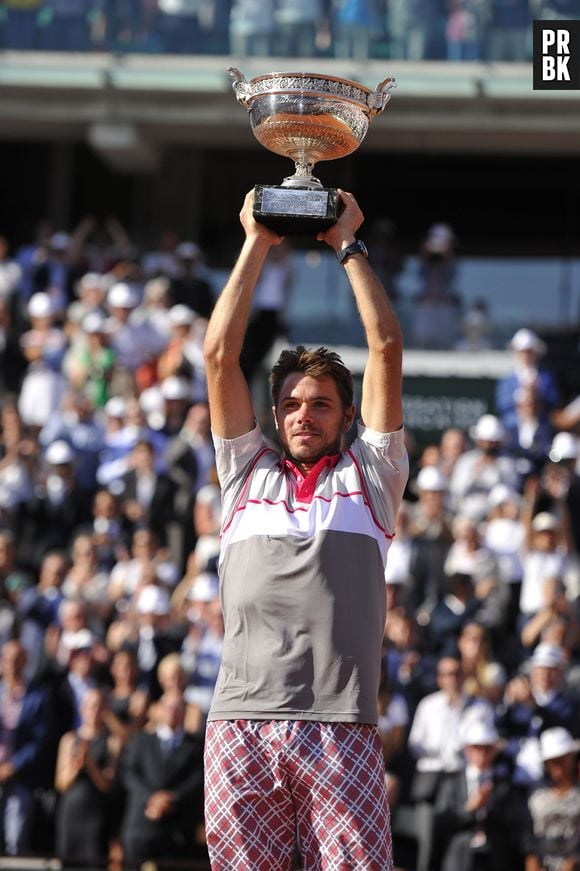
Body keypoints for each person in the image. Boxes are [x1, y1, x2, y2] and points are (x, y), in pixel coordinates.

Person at [202, 189, 408, 870]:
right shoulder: (243, 471)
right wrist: (257, 241)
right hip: (239, 724)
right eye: (289, 403)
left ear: (347, 417)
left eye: (320, 404)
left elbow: (384, 346)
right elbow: (218, 354)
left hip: (340, 725)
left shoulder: (373, 475)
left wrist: (347, 242)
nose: (301, 413)